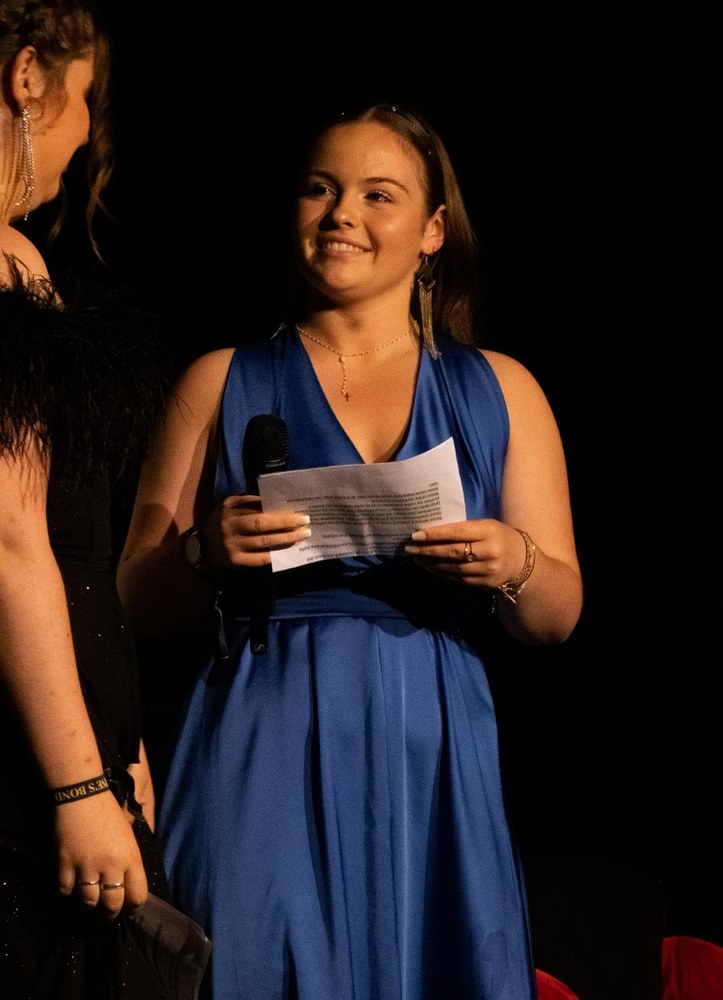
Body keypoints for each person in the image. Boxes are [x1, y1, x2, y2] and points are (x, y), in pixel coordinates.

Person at [117, 99, 584, 999]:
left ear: (432, 232)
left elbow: (557, 615)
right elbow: (130, 600)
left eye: (377, 194)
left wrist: (512, 561)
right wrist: (204, 552)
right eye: (319, 189)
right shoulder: (219, 380)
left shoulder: (501, 389)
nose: (340, 214)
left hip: (431, 743)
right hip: (261, 731)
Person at [0, 2, 172, 997]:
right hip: (26, 768)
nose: (83, 136)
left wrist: (120, 744)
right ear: (28, 77)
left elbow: (71, 542)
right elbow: (11, 540)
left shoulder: (21, 258)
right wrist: (77, 782)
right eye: (86, 100)